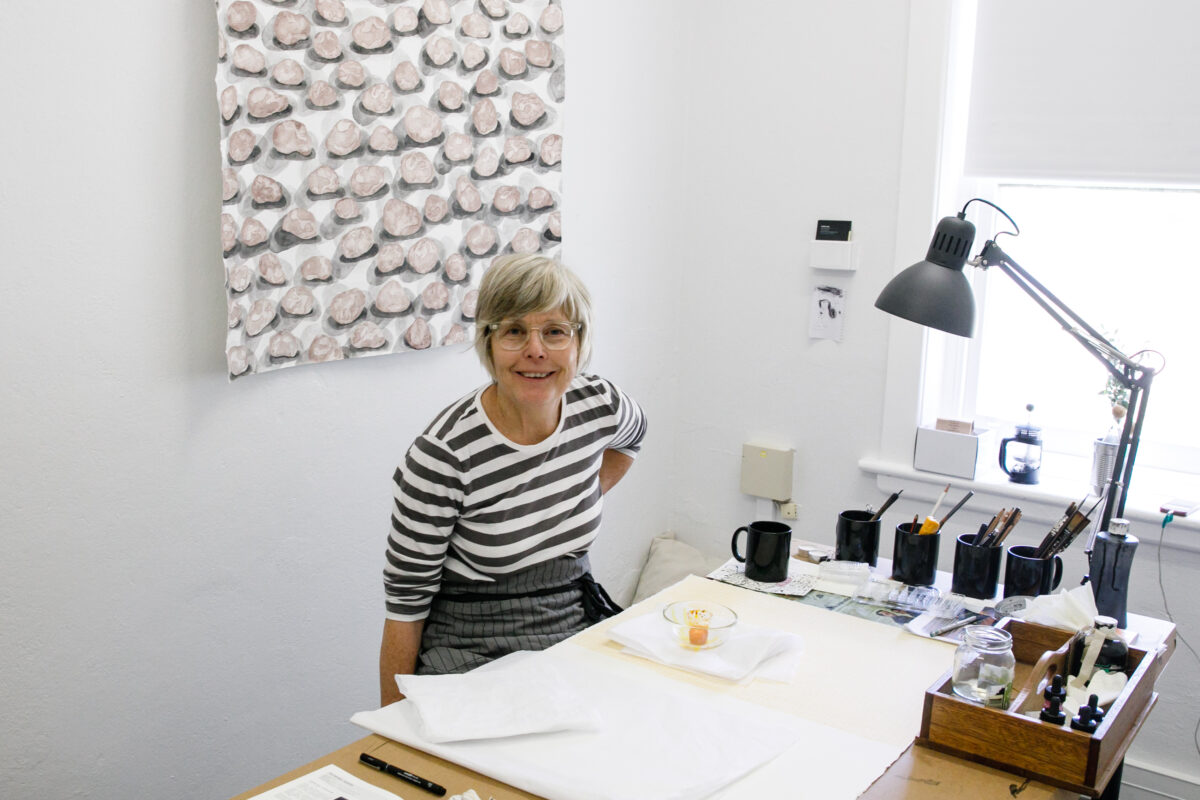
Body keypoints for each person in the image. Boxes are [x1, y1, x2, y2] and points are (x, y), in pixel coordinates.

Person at [379, 254, 647, 704]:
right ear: (488, 343)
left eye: (555, 332)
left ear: (578, 342)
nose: (536, 350)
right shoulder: (442, 456)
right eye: (515, 331)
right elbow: (405, 608)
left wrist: (578, 494)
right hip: (471, 649)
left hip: (573, 626)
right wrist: (390, 733)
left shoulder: (600, 404)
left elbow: (630, 442)